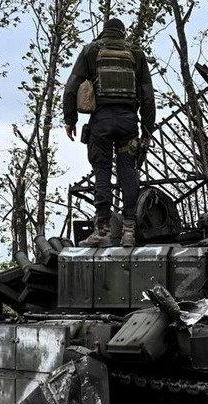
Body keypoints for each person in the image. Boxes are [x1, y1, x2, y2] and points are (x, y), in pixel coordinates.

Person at [63, 18, 156, 247]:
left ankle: (102, 231)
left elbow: (71, 87)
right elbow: (147, 95)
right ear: (123, 33)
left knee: (102, 170)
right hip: (128, 122)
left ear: (104, 33)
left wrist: (70, 119)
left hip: (101, 122)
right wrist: (147, 129)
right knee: (127, 171)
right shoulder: (136, 54)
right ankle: (128, 231)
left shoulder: (91, 51)